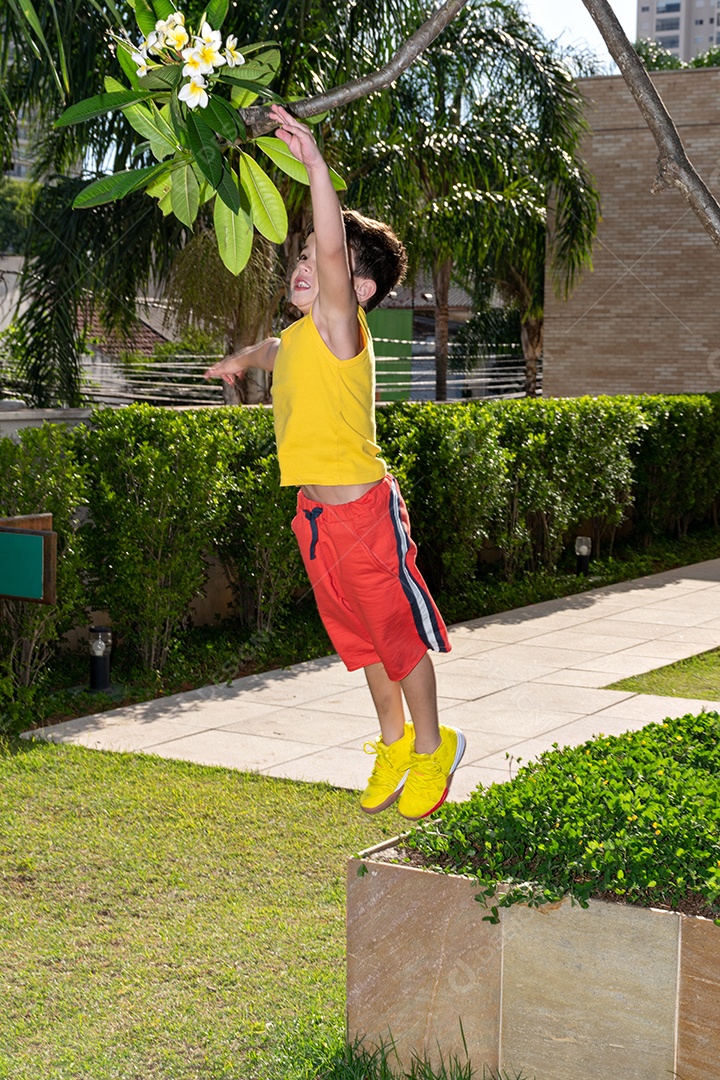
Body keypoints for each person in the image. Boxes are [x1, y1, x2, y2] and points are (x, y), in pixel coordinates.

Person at [205, 104, 465, 819]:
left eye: (324, 262)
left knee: (399, 640)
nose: (306, 264)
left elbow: (327, 249)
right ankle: (391, 741)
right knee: (362, 644)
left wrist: (315, 165)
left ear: (361, 293)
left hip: (363, 517)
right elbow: (269, 351)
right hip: (318, 517)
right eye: (302, 258)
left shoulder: (341, 329)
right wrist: (238, 359)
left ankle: (433, 747)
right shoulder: (297, 340)